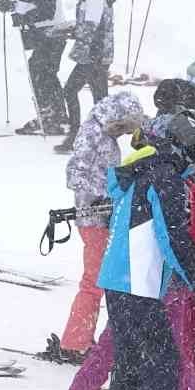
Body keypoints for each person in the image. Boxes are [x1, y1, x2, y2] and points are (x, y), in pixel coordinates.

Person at [94, 124, 195, 390]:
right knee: (163, 365)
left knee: (130, 360)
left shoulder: (140, 171)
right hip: (137, 280)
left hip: (117, 277)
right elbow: (170, 234)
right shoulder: (164, 176)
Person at [56, 92, 148, 363]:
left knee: (99, 280)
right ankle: (75, 342)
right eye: (124, 127)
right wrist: (105, 196)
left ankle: (80, 338)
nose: (124, 133)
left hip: (103, 217)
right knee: (95, 281)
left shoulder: (103, 133)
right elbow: (75, 174)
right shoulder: (93, 133)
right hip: (94, 219)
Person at [3, 0, 66, 137]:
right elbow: (33, 6)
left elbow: (46, 10)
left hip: (51, 34)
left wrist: (25, 18)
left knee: (40, 72)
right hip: (46, 35)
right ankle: (57, 113)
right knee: (46, 73)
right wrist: (13, 6)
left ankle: (48, 116)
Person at [56, 0, 115, 153]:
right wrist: (72, 30)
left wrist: (73, 34)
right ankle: (103, 137)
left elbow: (92, 28)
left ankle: (77, 135)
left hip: (93, 56)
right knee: (100, 98)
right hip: (93, 55)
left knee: (74, 91)